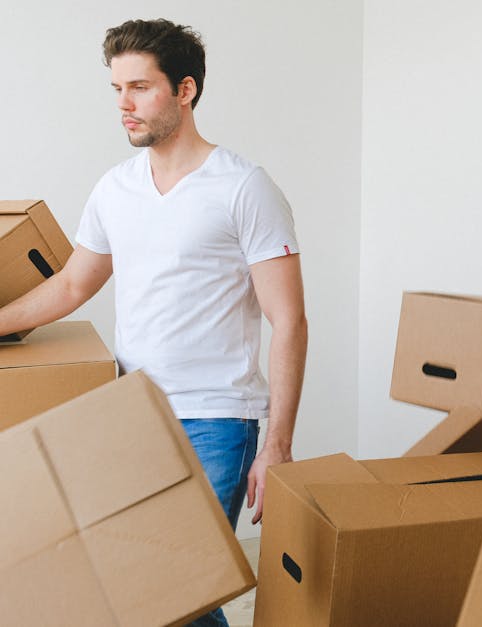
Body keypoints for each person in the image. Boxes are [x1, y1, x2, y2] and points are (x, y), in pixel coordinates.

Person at [0, 19, 307, 627]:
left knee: (178, 589)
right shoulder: (116, 188)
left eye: (139, 87)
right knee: (151, 589)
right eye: (117, 89)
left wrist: (277, 445)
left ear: (185, 90)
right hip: (131, 412)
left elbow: (289, 319)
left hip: (216, 419)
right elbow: (71, 285)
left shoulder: (244, 187)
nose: (123, 105)